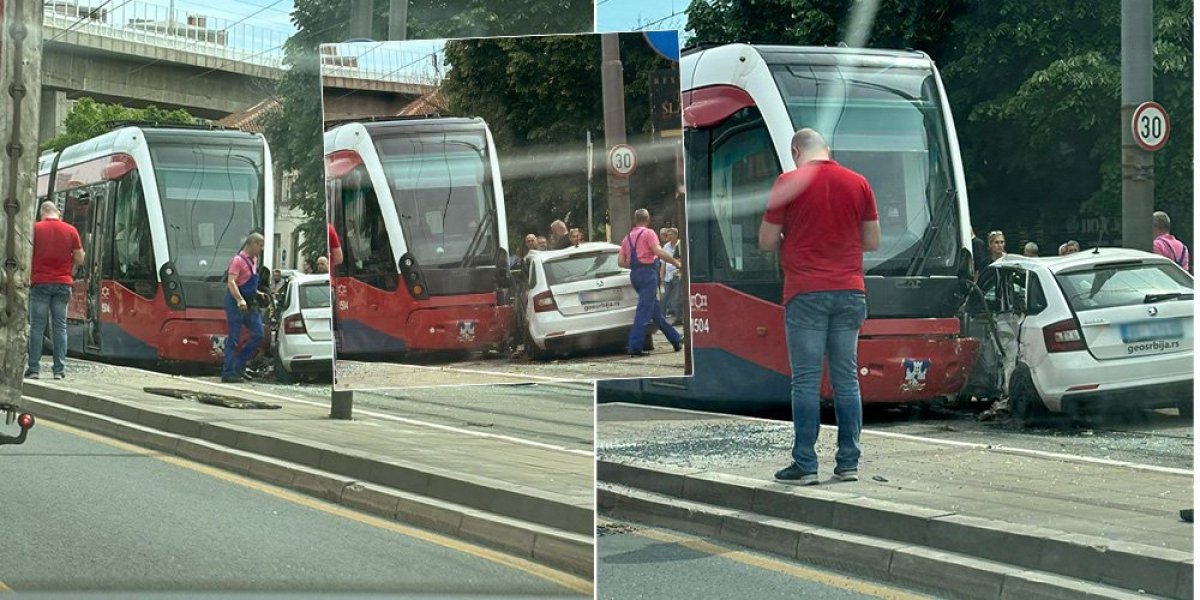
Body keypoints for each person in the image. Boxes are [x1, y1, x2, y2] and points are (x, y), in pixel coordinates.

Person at [758, 128, 879, 486]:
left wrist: (792, 238)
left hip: (806, 292)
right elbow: (872, 241)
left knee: (806, 381)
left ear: (796, 151)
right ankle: (848, 463)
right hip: (850, 292)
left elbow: (765, 241)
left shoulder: (788, 182)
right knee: (847, 380)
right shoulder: (859, 183)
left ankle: (806, 464)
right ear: (827, 149)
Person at [27, 201, 84, 380]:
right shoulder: (71, 230)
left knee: (37, 326)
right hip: (63, 283)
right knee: (60, 327)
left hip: (39, 283)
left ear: (42, 213)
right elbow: (79, 258)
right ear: (57, 212)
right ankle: (59, 370)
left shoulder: (35, 229)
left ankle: (34, 369)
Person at [618, 208, 683, 356]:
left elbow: (621, 262)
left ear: (635, 220)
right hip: (648, 274)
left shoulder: (626, 238)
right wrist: (676, 263)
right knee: (643, 311)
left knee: (654, 311)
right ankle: (634, 346)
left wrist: (636, 263)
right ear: (647, 220)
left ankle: (675, 338)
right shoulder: (649, 233)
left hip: (635, 275)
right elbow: (659, 252)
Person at [222, 233, 266, 383]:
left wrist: (258, 293)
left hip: (250, 302)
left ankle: (239, 365)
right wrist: (240, 300)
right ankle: (228, 373)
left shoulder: (254, 260)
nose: (261, 248)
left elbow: (247, 280)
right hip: (236, 302)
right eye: (260, 245)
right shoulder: (237, 260)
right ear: (251, 243)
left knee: (259, 334)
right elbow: (231, 282)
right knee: (234, 338)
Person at [661, 228, 683, 325]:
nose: (668, 237)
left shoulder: (680, 245)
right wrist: (661, 275)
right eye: (667, 235)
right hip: (668, 276)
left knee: (677, 297)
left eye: (670, 235)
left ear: (675, 235)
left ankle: (678, 318)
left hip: (677, 274)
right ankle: (661, 317)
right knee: (664, 297)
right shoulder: (666, 246)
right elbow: (663, 262)